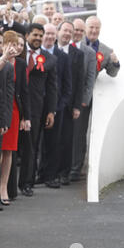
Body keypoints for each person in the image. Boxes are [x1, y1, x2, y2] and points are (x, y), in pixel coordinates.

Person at [18, 23, 57, 197]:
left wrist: (51, 111)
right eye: (35, 35)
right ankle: (8, 186)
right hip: (14, 106)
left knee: (30, 148)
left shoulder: (49, 59)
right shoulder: (17, 53)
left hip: (35, 110)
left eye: (41, 36)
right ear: (27, 36)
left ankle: (27, 183)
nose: (38, 39)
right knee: (10, 149)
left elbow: (52, 88)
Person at [37, 23, 72, 188]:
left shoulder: (63, 57)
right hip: (37, 106)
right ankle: (37, 175)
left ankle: (50, 176)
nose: (49, 37)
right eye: (46, 34)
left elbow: (67, 85)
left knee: (53, 143)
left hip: (55, 107)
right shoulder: (35, 54)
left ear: (56, 35)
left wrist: (60, 106)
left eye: (52, 34)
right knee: (36, 144)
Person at [0, 31, 29, 206]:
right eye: (11, 43)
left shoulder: (21, 64)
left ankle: (3, 187)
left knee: (8, 151)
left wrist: (26, 117)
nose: (15, 47)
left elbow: (24, 91)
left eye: (18, 44)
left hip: (14, 111)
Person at [56, 21, 85, 186]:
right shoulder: (51, 49)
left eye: (70, 32)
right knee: (50, 140)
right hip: (52, 103)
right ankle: (48, 172)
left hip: (68, 105)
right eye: (65, 30)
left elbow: (80, 81)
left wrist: (76, 106)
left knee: (66, 140)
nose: (67, 34)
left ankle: (64, 173)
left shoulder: (77, 54)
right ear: (59, 31)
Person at [70, 18, 97, 182]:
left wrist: (84, 101)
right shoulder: (62, 48)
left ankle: (75, 169)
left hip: (80, 102)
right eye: (76, 30)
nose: (78, 33)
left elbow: (90, 79)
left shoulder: (90, 53)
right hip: (64, 100)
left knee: (78, 136)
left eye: (81, 30)